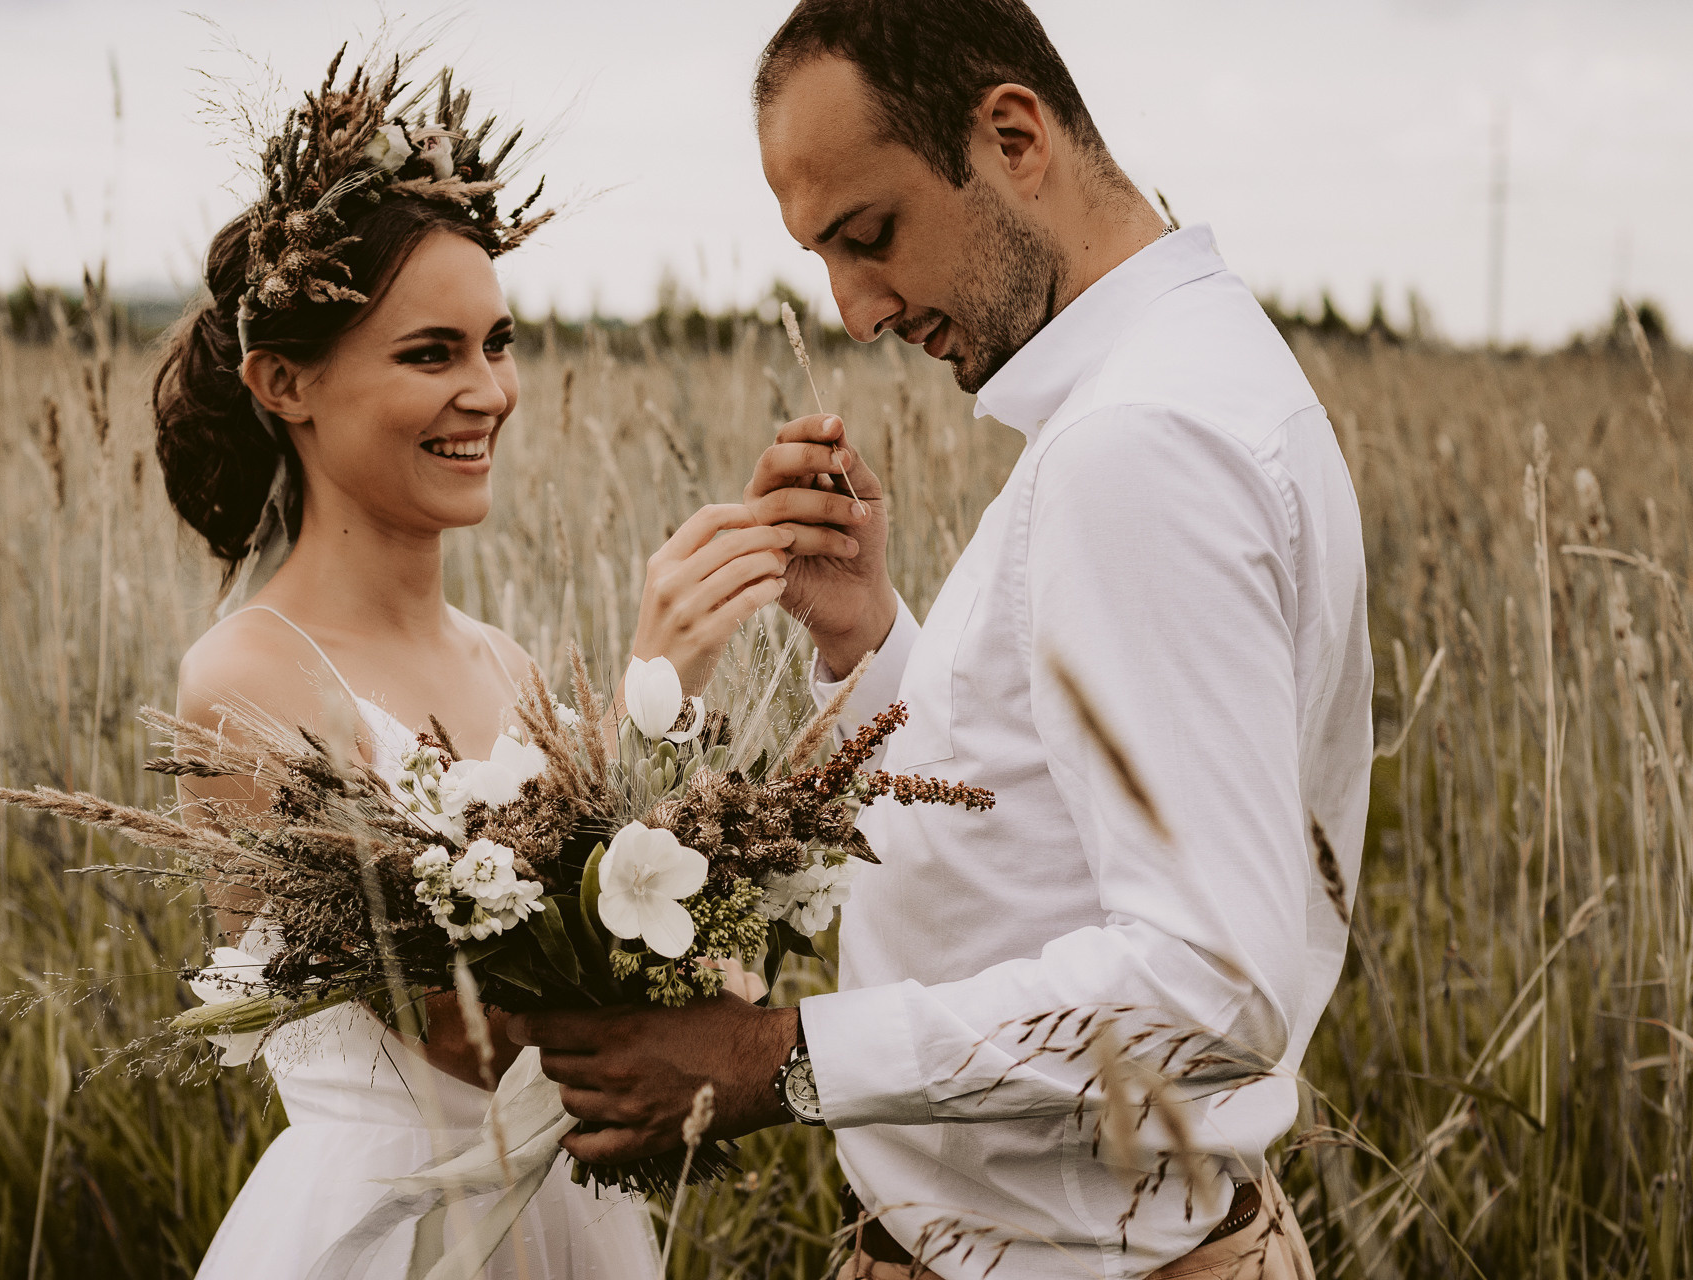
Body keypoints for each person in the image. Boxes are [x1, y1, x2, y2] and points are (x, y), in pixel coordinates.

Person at [507, 2, 1374, 1277]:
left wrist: (779, 1056)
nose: (856, 309)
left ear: (1013, 137)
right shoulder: (1175, 381)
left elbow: (1210, 984)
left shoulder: (1137, 443)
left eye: (870, 235)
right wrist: (867, 637)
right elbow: (1033, 822)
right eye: (824, 256)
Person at [153, 54, 790, 1279]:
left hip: (567, 1222)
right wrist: (652, 700)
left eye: (497, 342)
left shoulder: (506, 661)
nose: (488, 391)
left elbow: (671, 981)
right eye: (430, 352)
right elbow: (471, 1033)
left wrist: (721, 945)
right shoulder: (247, 679)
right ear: (285, 382)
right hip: (394, 1235)